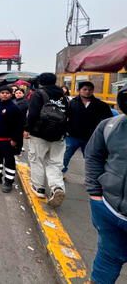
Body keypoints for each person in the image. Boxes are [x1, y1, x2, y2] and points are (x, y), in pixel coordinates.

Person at [84, 86, 127, 284]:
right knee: (106, 262)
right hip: (109, 209)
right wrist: (95, 195)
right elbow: (93, 157)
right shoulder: (110, 126)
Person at [24, 72, 69, 208]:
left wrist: (27, 129)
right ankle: (57, 187)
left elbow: (33, 114)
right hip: (59, 135)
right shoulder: (64, 96)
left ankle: (39, 188)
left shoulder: (39, 94)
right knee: (55, 162)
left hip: (39, 134)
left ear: (40, 82)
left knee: (37, 159)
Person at [63, 81, 112, 175]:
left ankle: (92, 177)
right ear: (79, 90)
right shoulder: (72, 103)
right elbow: (64, 118)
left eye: (90, 89)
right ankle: (62, 173)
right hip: (72, 136)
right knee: (65, 156)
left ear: (93, 91)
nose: (87, 92)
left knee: (91, 159)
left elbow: (108, 120)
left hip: (92, 138)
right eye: (84, 89)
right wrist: (65, 130)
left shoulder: (101, 105)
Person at [0, 86, 24, 193]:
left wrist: (15, 140)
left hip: (7, 141)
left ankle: (8, 182)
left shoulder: (14, 108)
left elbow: (19, 126)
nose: (4, 95)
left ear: (11, 94)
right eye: (2, 93)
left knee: (9, 162)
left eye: (7, 93)